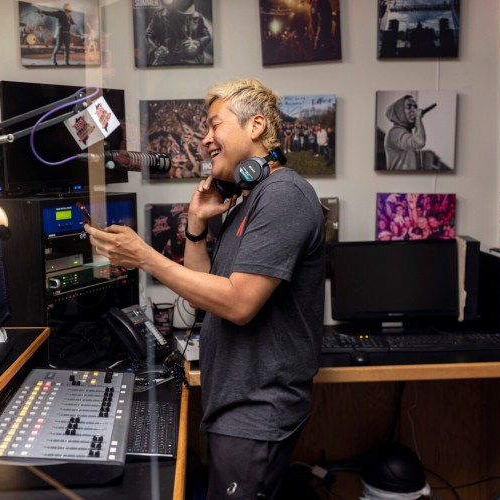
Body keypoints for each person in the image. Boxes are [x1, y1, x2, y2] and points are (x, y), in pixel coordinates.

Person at [85, 78, 326, 499]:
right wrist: (196, 225)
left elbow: (238, 304)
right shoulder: (248, 198)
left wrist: (145, 256)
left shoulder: (284, 195)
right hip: (235, 404)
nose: (205, 138)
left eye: (215, 125)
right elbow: (207, 295)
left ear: (255, 126)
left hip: (256, 410)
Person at [143, 0, 212, 66]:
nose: (185, 15)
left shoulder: (198, 17)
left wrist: (197, 42)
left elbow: (207, 36)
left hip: (193, 60)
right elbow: (148, 36)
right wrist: (155, 50)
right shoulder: (160, 15)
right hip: (168, 60)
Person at [383, 94, 426, 170]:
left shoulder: (406, 133)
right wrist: (418, 118)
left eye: (415, 107)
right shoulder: (395, 132)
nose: (414, 110)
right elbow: (420, 142)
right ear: (400, 111)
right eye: (409, 107)